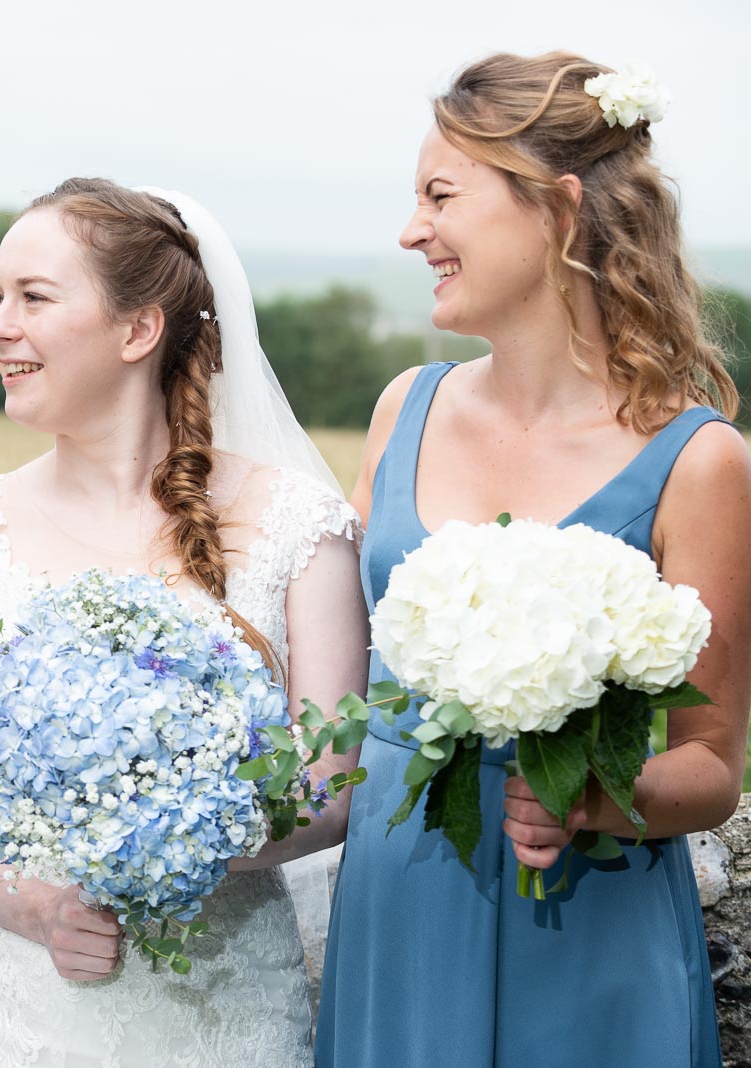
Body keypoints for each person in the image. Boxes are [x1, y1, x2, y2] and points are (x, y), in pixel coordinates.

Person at [0, 177, 369, 1067]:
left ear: (138, 331)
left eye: (34, 298)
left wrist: (175, 839)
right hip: (8, 1008)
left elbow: (334, 787)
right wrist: (31, 902)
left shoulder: (299, 528)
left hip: (224, 1008)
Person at [317, 53, 751, 1067]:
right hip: (399, 914)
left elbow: (706, 763)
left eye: (440, 196)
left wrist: (593, 798)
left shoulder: (697, 460)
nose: (410, 230)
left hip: (582, 926)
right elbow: (332, 681)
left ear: (555, 212)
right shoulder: (402, 410)